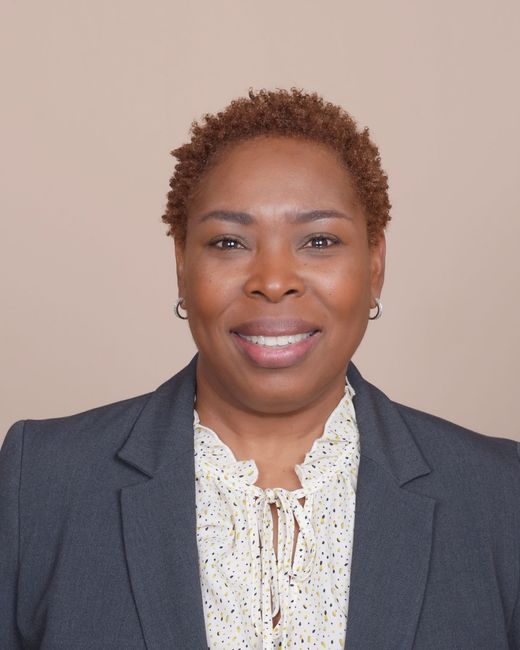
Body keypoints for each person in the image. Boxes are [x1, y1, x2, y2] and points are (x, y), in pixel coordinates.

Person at [1, 88, 518, 650]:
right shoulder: (41, 482)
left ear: (375, 264)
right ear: (181, 266)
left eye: (319, 241)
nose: (273, 281)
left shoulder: (498, 493)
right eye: (229, 242)